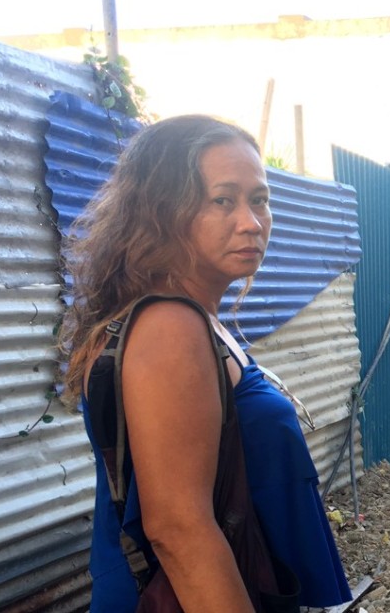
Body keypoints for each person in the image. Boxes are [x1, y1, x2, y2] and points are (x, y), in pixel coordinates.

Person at [60, 115, 353, 611]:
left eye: (259, 199)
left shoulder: (195, 319)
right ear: (164, 210)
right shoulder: (169, 327)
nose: (251, 222)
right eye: (223, 200)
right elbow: (179, 529)